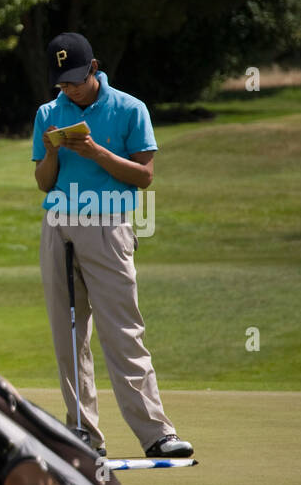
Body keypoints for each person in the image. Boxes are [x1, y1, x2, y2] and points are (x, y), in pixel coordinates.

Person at [31, 32, 192, 459]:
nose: (68, 89)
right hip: (58, 227)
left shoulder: (130, 109)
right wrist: (51, 152)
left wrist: (95, 152)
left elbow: (144, 176)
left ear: (94, 68)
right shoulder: (48, 113)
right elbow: (44, 182)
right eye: (61, 82)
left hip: (109, 227)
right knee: (68, 336)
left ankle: (156, 432)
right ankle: (81, 433)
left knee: (123, 331)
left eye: (75, 80)